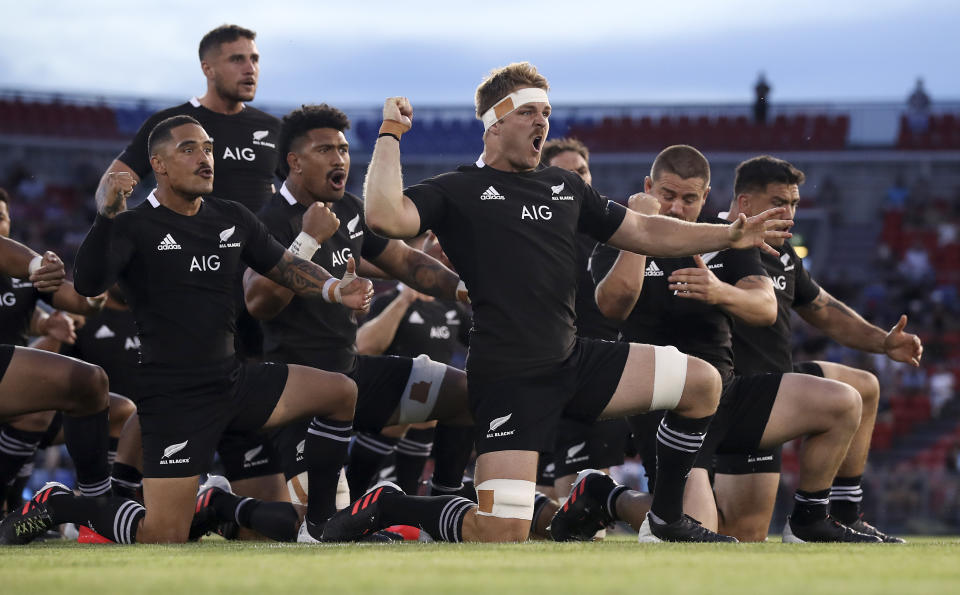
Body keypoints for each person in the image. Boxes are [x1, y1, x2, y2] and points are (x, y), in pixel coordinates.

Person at [320, 62, 792, 544]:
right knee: (501, 533)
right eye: (529, 112)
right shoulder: (456, 190)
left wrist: (729, 233)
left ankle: (665, 516)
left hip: (573, 359)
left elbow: (645, 229)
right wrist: (389, 134)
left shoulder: (564, 187)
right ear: (495, 123)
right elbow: (382, 213)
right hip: (510, 377)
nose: (543, 121)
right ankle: (394, 503)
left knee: (702, 383)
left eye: (547, 111)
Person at [0, 115, 374, 545]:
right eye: (189, 150)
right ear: (157, 165)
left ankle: (321, 525)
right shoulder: (134, 225)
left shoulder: (231, 216)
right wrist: (106, 214)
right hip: (175, 398)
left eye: (209, 148)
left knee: (340, 392)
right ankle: (62, 505)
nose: (205, 159)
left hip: (234, 381)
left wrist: (332, 288)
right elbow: (87, 283)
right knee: (163, 534)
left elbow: (283, 265)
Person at [562, 145, 879, 543]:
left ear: (705, 197)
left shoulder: (724, 240)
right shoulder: (619, 236)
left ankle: (809, 521)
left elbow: (764, 307)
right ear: (648, 188)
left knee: (845, 401)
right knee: (698, 531)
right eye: (667, 195)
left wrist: (719, 292)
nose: (677, 208)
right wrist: (641, 228)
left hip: (728, 392)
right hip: (667, 403)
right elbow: (614, 304)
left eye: (689, 198)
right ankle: (606, 496)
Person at [242, 104, 474, 541]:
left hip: (353, 375)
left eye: (345, 149)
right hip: (297, 395)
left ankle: (444, 510)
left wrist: (468, 290)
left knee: (465, 393)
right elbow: (259, 301)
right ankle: (220, 505)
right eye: (325, 149)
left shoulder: (348, 208)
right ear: (294, 162)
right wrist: (309, 238)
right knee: (323, 530)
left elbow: (404, 260)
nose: (340, 159)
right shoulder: (267, 219)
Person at [720, 155, 919, 542]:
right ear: (744, 203)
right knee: (734, 533)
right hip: (734, 394)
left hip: (777, 387)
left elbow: (824, 310)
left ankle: (841, 515)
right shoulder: (712, 243)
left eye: (794, 203)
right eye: (780, 201)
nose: (790, 213)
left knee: (865, 386)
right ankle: (808, 522)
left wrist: (883, 341)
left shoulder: (783, 254)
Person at [96, 24, 279, 360]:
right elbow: (111, 186)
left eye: (254, 58)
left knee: (263, 387)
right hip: (194, 280)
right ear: (207, 68)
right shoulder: (171, 124)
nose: (250, 68)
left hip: (260, 282)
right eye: (237, 59)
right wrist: (126, 247)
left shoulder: (271, 128)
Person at [539, 137, 639, 536]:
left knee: (582, 493)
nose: (575, 180)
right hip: (544, 373)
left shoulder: (615, 231)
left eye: (581, 172)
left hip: (600, 371)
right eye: (564, 174)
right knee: (538, 503)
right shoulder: (532, 233)